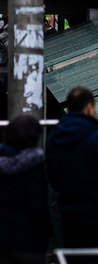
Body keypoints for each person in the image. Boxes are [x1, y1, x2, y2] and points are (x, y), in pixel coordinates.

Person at [0, 114, 50, 264]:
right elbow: (38, 207)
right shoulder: (34, 166)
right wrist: (46, 231)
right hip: (29, 241)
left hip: (2, 235)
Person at [46, 86, 98, 247]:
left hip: (68, 212)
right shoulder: (94, 134)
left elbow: (53, 176)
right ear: (89, 107)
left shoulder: (54, 137)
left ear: (68, 108)